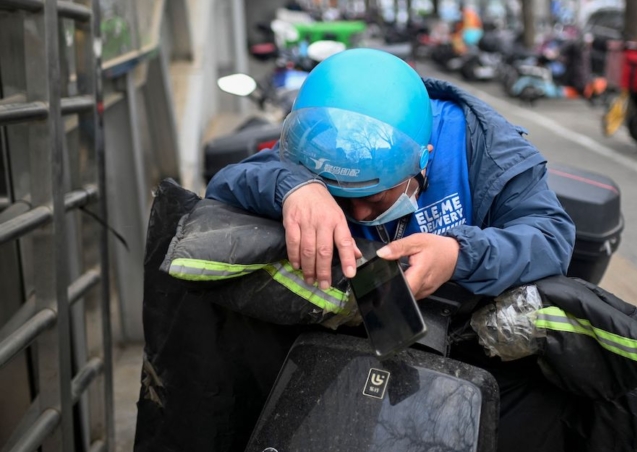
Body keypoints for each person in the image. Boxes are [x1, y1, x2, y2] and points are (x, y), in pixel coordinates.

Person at [205, 48, 580, 451]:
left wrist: (459, 255)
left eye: (377, 197)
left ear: (424, 161)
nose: (361, 212)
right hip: (346, 348)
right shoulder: (316, 144)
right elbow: (226, 187)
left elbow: (551, 235)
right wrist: (292, 187)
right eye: (342, 197)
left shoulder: (483, 144)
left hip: (469, 352)